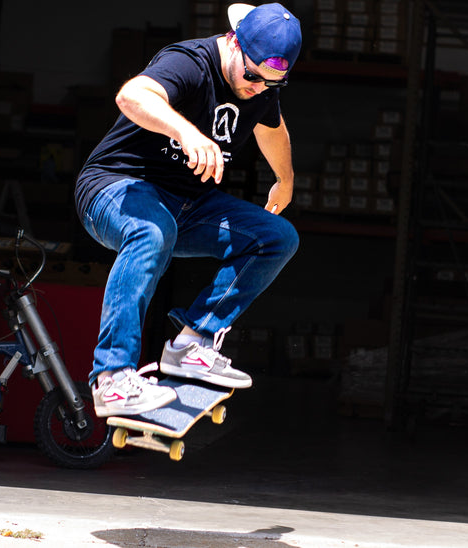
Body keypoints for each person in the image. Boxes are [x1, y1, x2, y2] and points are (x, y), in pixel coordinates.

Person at [74, 3, 303, 417]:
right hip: (114, 188)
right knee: (153, 231)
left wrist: (285, 180)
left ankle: (193, 342)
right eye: (251, 76)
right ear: (234, 43)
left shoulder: (261, 89)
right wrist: (185, 131)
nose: (256, 88)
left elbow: (273, 128)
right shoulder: (189, 62)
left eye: (271, 84)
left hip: (187, 206)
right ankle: (112, 378)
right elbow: (132, 95)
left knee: (278, 237)